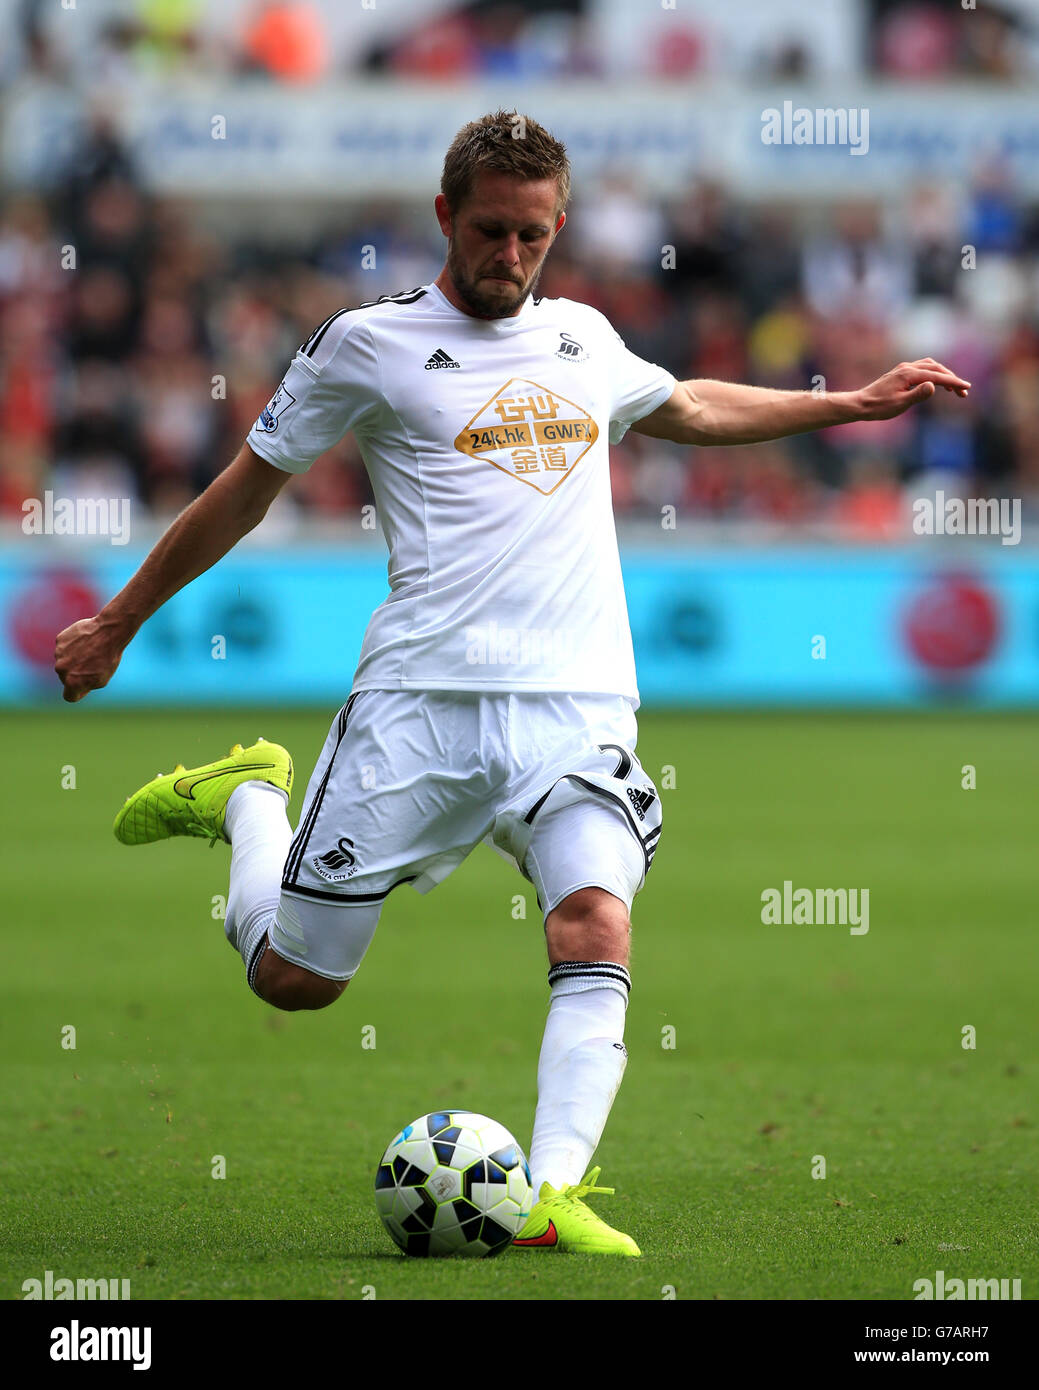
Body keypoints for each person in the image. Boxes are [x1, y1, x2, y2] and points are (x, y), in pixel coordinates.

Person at [53, 109, 970, 1256]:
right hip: (417, 709)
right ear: (444, 216)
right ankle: (247, 800)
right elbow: (247, 486)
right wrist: (121, 619)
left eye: (533, 236)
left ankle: (555, 1190)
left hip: (576, 709)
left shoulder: (585, 338)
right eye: (490, 231)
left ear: (559, 227)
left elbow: (685, 405)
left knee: (593, 922)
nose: (510, 256)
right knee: (293, 979)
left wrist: (844, 402)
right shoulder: (365, 346)